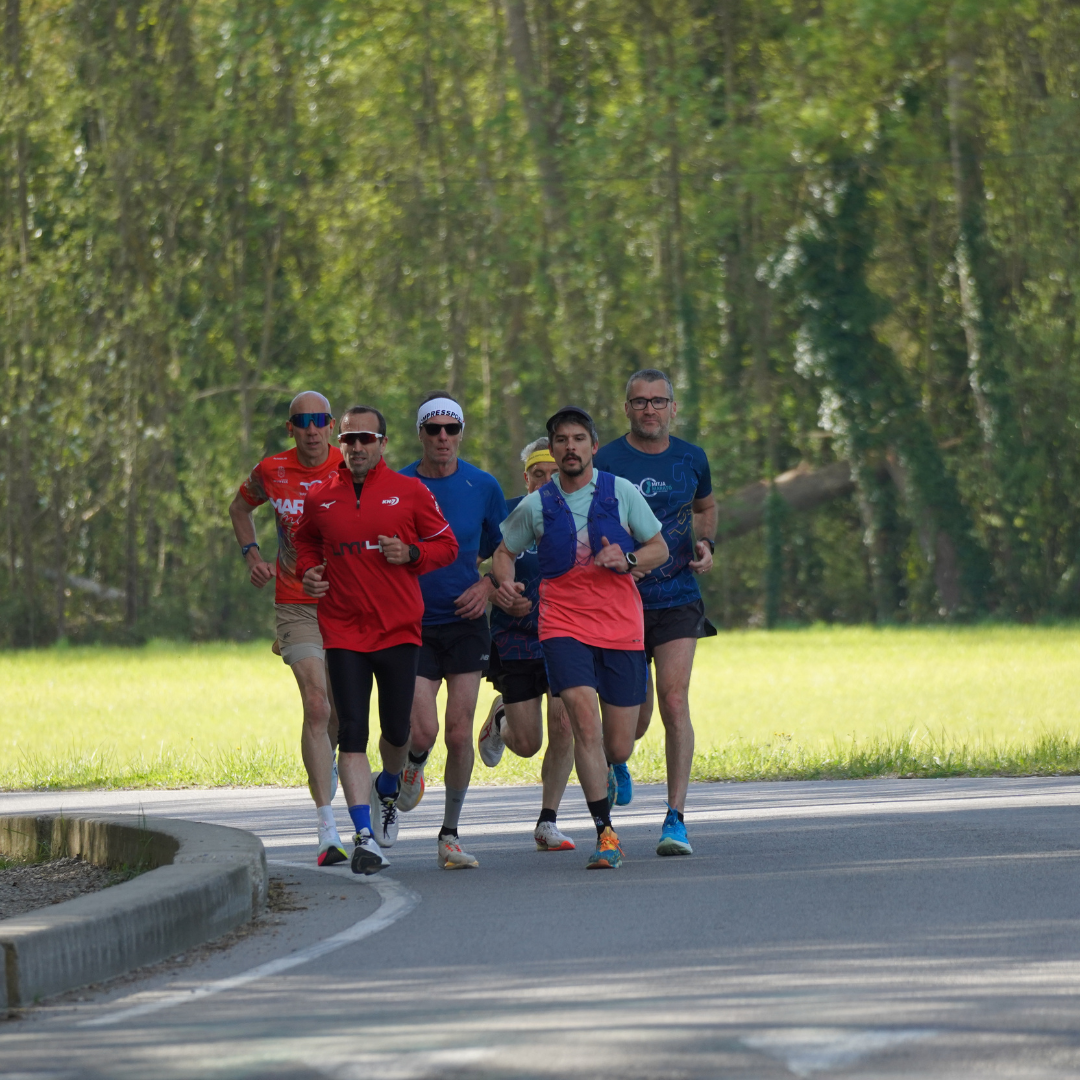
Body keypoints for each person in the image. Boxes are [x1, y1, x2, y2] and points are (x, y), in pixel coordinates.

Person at [492, 406, 668, 870]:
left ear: (593, 446)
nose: (570, 447)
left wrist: (628, 560)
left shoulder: (621, 492)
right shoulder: (536, 505)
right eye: (561, 440)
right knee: (583, 724)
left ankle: (612, 773)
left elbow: (659, 547)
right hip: (563, 627)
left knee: (619, 745)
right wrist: (506, 584)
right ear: (552, 450)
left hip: (621, 627)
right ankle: (605, 834)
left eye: (578, 439)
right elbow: (503, 552)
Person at [294, 406, 458, 874]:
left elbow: (447, 545)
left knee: (397, 733)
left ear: (383, 443)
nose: (357, 447)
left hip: (398, 629)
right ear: (339, 444)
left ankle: (389, 783)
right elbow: (305, 543)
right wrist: (309, 572)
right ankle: (364, 836)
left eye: (366, 439)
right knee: (351, 732)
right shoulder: (320, 496)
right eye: (349, 440)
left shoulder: (410, 491)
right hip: (343, 630)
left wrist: (411, 553)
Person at [594, 368, 717, 857]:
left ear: (672, 407)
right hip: (621, 600)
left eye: (658, 401)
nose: (650, 409)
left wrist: (706, 544)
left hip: (677, 596)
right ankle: (617, 759)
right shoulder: (606, 460)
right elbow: (589, 519)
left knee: (675, 699)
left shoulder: (692, 457)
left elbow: (705, 508)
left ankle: (676, 818)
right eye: (640, 401)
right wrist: (619, 562)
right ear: (626, 408)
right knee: (633, 723)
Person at [228, 391, 346, 866]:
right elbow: (239, 509)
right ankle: (326, 826)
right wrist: (252, 556)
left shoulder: (350, 465)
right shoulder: (272, 470)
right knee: (316, 705)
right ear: (290, 428)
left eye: (320, 420)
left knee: (340, 713)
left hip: (347, 605)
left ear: (332, 425)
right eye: (303, 421)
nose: (312, 429)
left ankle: (330, 762)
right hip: (296, 604)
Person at [397, 393, 509, 869]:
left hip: (466, 623)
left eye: (451, 428)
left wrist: (487, 585)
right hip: (413, 623)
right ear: (420, 434)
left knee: (460, 735)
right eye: (433, 428)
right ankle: (413, 765)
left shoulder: (482, 485)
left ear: (461, 433)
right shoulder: (397, 484)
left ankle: (450, 835)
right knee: (423, 730)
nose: (442, 437)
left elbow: (504, 548)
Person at [477, 437, 576, 852]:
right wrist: (497, 590)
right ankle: (501, 716)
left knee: (565, 723)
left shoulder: (583, 513)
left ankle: (547, 821)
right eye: (539, 474)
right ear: (526, 478)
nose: (547, 481)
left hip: (565, 634)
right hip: (515, 637)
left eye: (555, 473)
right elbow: (475, 564)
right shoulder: (509, 513)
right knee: (527, 744)